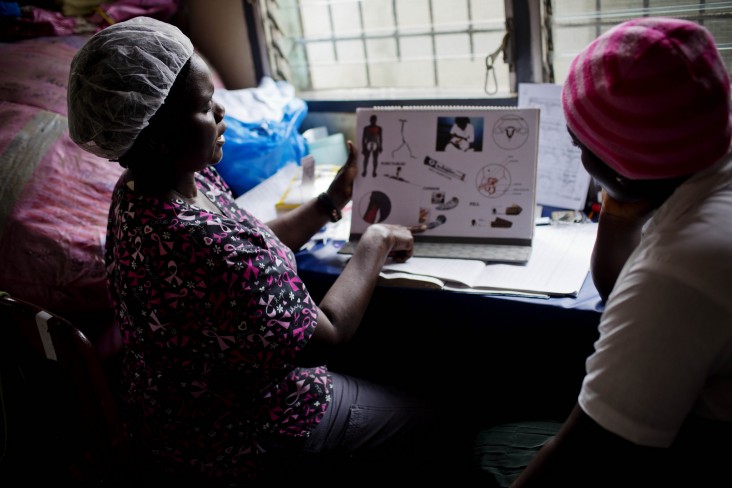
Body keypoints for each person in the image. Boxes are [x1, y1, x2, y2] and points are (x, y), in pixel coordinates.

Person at [67, 16, 477, 486]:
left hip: (174, 414)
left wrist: (330, 201)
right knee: (444, 420)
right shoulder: (203, 243)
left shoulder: (147, 188)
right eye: (205, 107)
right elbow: (327, 336)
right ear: (159, 137)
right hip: (243, 434)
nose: (223, 111)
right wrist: (376, 242)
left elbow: (253, 238)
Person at [476, 17, 732, 487]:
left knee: (489, 444)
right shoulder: (709, 159)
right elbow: (620, 294)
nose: (579, 160)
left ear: (623, 168)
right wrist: (621, 202)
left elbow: (587, 458)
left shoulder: (676, 271)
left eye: (580, 146)